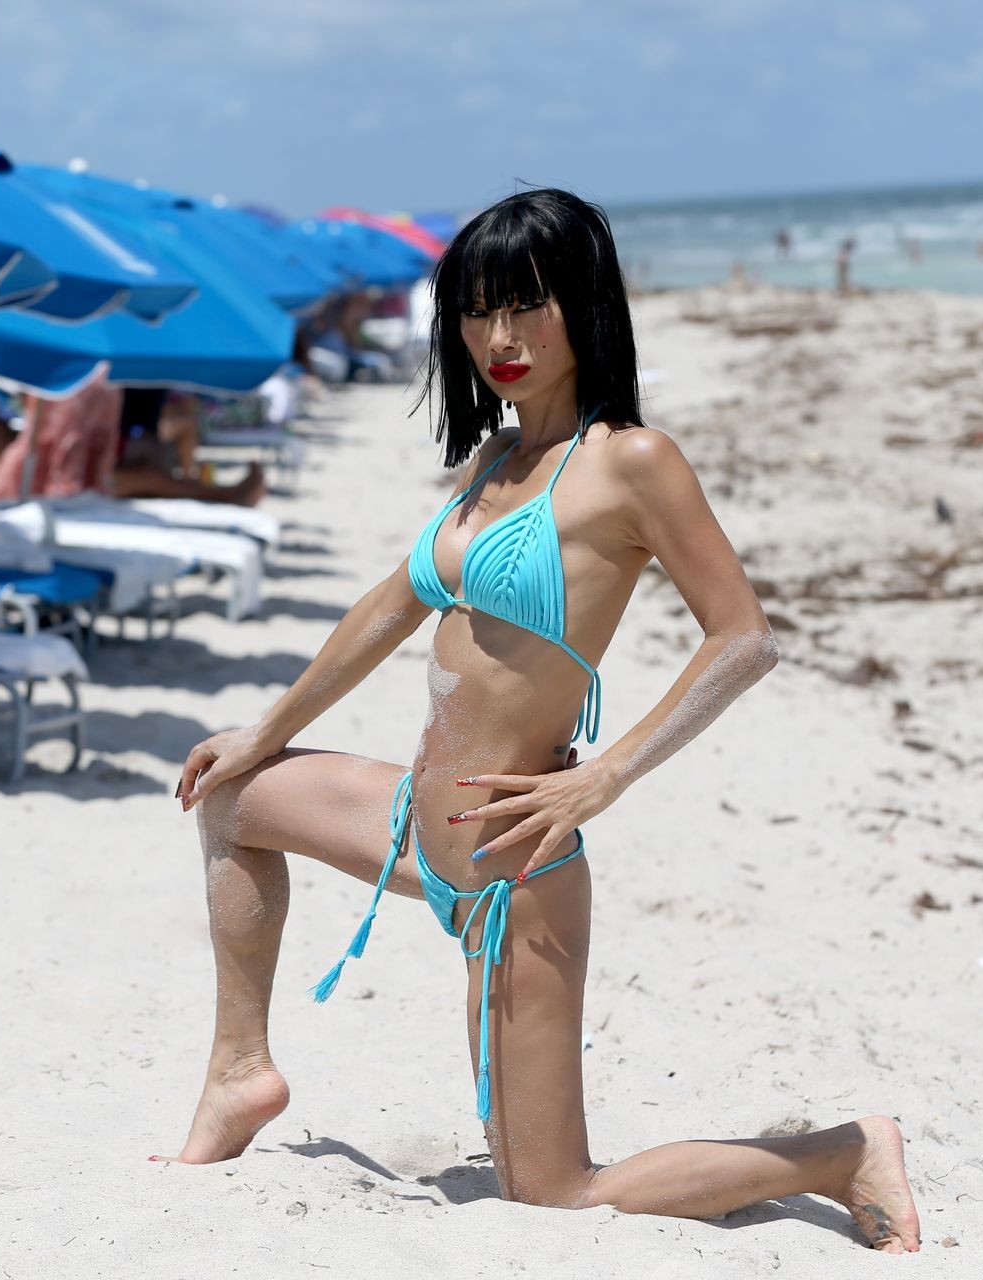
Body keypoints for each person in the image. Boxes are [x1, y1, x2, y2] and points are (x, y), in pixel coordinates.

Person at [162, 188, 921, 1251]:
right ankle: (239, 1071)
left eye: (526, 305)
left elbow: (743, 638)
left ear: (585, 306)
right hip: (414, 829)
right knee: (234, 793)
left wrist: (603, 775)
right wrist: (266, 728)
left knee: (552, 1192)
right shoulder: (494, 462)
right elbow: (389, 605)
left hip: (514, 865)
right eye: (478, 311)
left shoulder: (633, 461)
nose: (500, 338)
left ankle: (840, 1152)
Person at [0, 372, 265, 504]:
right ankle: (222, 496)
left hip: (51, 477)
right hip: (39, 488)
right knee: (150, 477)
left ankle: (218, 494)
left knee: (151, 474)